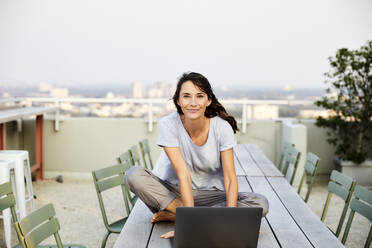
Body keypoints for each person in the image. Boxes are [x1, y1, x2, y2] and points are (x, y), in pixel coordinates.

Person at [125, 72, 269, 239]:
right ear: (178, 101)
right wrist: (189, 226)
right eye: (186, 96)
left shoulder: (222, 128)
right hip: (175, 192)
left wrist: (230, 221)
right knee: (133, 175)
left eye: (199, 96)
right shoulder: (168, 124)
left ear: (208, 100)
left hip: (212, 196)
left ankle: (178, 215)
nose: (193, 103)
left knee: (260, 203)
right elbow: (183, 175)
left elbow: (230, 177)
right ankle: (191, 216)